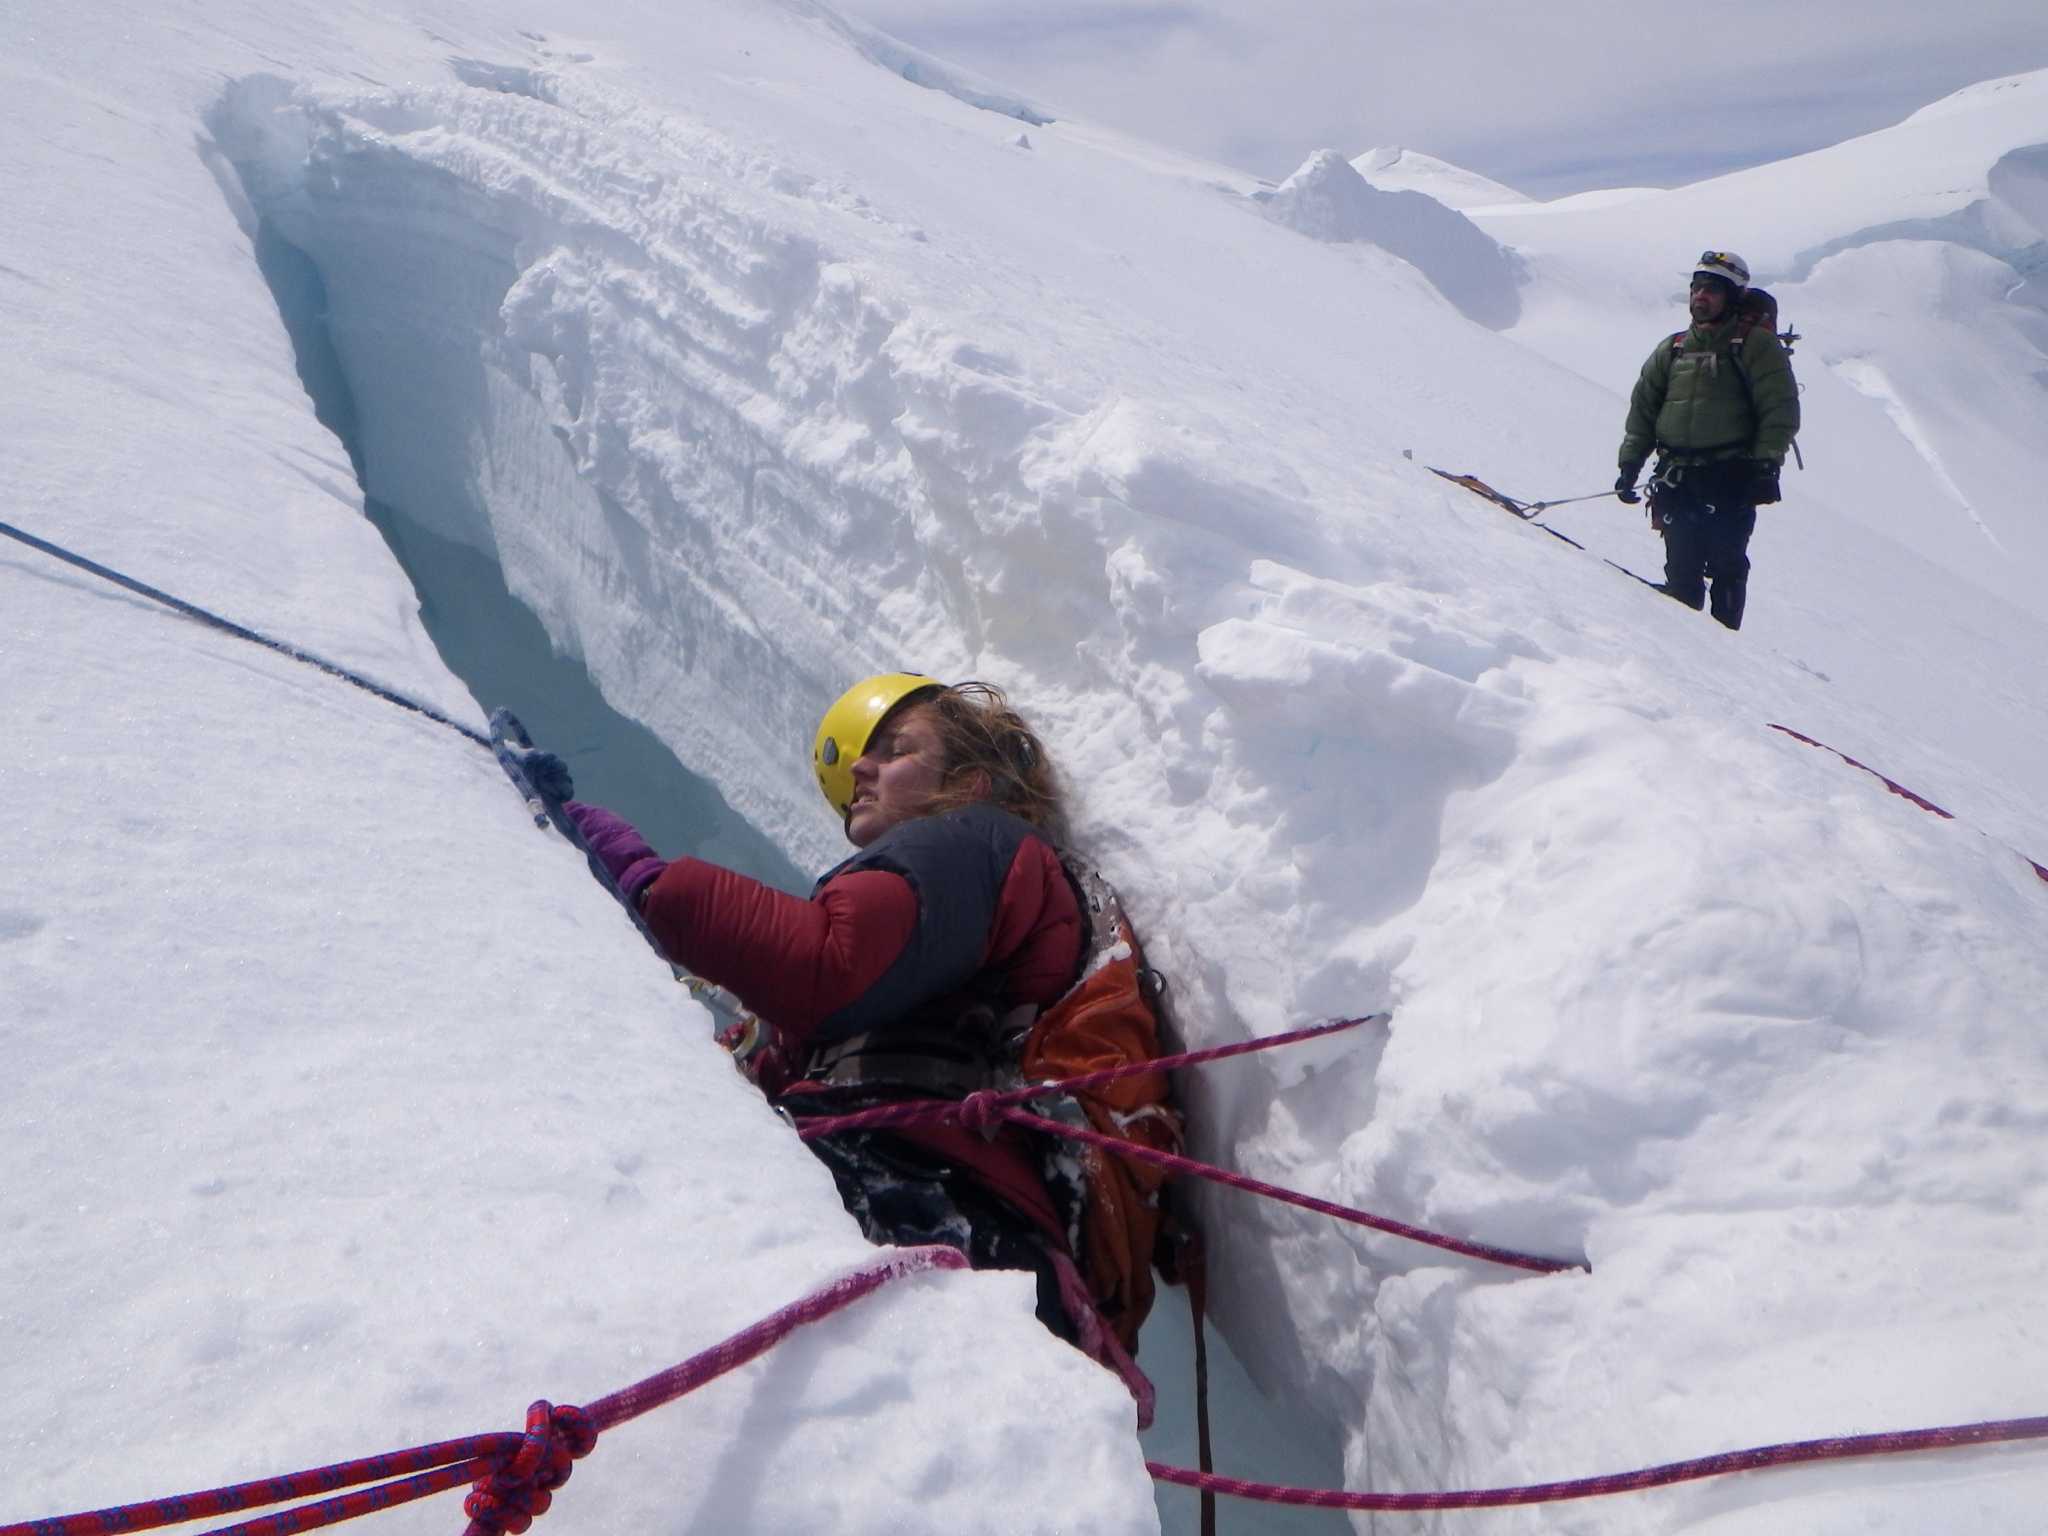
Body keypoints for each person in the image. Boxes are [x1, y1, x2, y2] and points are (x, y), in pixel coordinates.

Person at [554, 674, 1094, 1341]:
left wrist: (647, 883)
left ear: (971, 782)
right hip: (950, 1204)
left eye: (897, 749)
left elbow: (826, 965)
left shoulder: (973, 838)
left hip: (909, 1181)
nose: (863, 768)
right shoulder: (948, 904)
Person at [1615, 250, 1800, 630]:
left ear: (1732, 297)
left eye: (1713, 290)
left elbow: (1779, 409)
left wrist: (1766, 465)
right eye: (1697, 288)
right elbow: (1644, 410)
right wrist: (1630, 463)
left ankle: (1724, 649)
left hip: (1730, 477)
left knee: (1726, 565)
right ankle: (1690, 654)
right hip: (1677, 478)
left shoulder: (1754, 346)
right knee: (1681, 571)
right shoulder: (1673, 348)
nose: (1701, 296)